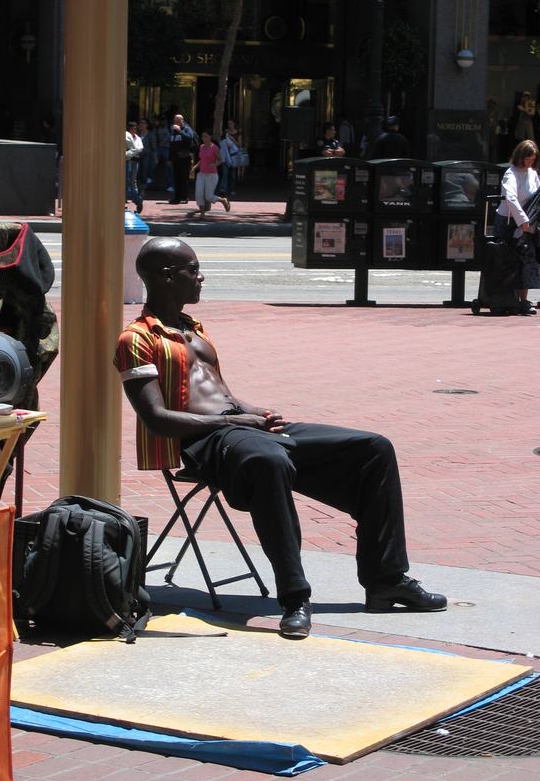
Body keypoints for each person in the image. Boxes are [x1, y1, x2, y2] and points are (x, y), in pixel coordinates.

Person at [114, 237, 447, 639]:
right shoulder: (135, 339)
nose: (201, 277)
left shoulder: (192, 327)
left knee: (373, 449)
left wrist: (254, 413)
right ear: (167, 277)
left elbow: (222, 396)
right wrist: (235, 424)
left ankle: (386, 580)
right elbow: (157, 418)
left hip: (240, 428)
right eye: (193, 269)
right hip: (205, 444)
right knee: (266, 461)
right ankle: (294, 597)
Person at [494, 138, 540, 315]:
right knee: (508, 258)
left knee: (527, 259)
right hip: (509, 221)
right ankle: (504, 297)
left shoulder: (533, 174)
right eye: (527, 159)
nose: (529, 163)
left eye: (533, 159)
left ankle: (523, 299)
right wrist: (523, 220)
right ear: (520, 156)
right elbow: (511, 198)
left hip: (529, 221)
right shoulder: (510, 173)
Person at [190, 129, 230, 219]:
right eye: (203, 136)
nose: (204, 138)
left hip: (212, 175)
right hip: (201, 174)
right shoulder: (201, 147)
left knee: (209, 196)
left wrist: (214, 164)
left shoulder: (214, 148)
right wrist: (194, 167)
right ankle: (202, 213)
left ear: (210, 137)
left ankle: (223, 200)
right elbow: (202, 160)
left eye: (206, 136)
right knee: (199, 194)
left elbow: (220, 160)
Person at [168, 113, 195, 205]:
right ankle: (177, 197)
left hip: (184, 158)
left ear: (182, 121)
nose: (176, 123)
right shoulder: (173, 131)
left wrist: (180, 131)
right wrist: (170, 158)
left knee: (184, 178)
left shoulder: (187, 129)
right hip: (176, 158)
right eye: (175, 121)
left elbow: (189, 139)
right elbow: (171, 144)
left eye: (178, 121)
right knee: (176, 178)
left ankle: (185, 196)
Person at [125, 121, 143, 214]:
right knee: (125, 181)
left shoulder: (137, 138)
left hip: (133, 162)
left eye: (135, 128)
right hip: (127, 162)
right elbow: (136, 150)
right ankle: (125, 201)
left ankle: (138, 201)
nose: (134, 129)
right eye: (132, 128)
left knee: (132, 181)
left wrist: (128, 154)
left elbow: (139, 149)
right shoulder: (127, 136)